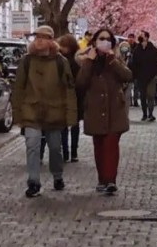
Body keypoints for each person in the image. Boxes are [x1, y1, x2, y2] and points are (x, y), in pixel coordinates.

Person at [10, 25, 77, 198]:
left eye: (44, 37)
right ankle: (33, 182)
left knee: (55, 147)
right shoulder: (27, 61)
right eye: (37, 37)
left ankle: (57, 175)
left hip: (54, 112)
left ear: (51, 41)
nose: (39, 40)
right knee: (32, 146)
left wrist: (71, 115)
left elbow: (69, 90)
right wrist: (17, 113)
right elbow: (19, 88)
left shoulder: (60, 62)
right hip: (31, 111)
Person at [76, 27, 133, 195]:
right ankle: (102, 178)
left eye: (108, 39)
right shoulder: (86, 60)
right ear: (94, 42)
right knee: (99, 145)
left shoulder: (115, 59)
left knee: (111, 144)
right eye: (101, 38)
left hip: (115, 109)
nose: (105, 42)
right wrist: (89, 61)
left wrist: (113, 61)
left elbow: (127, 76)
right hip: (95, 109)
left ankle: (110, 180)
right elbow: (80, 83)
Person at [57, 33, 82, 163]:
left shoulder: (76, 60)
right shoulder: (59, 59)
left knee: (74, 124)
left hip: (75, 96)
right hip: (62, 96)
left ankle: (73, 151)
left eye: (65, 46)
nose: (62, 48)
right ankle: (66, 151)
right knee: (63, 125)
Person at [131, 31, 157, 122]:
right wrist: (135, 75)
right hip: (140, 77)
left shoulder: (153, 49)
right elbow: (134, 63)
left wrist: (156, 75)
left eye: (142, 35)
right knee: (143, 96)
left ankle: (151, 114)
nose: (140, 36)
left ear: (147, 37)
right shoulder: (137, 49)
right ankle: (144, 114)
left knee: (150, 95)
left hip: (151, 77)